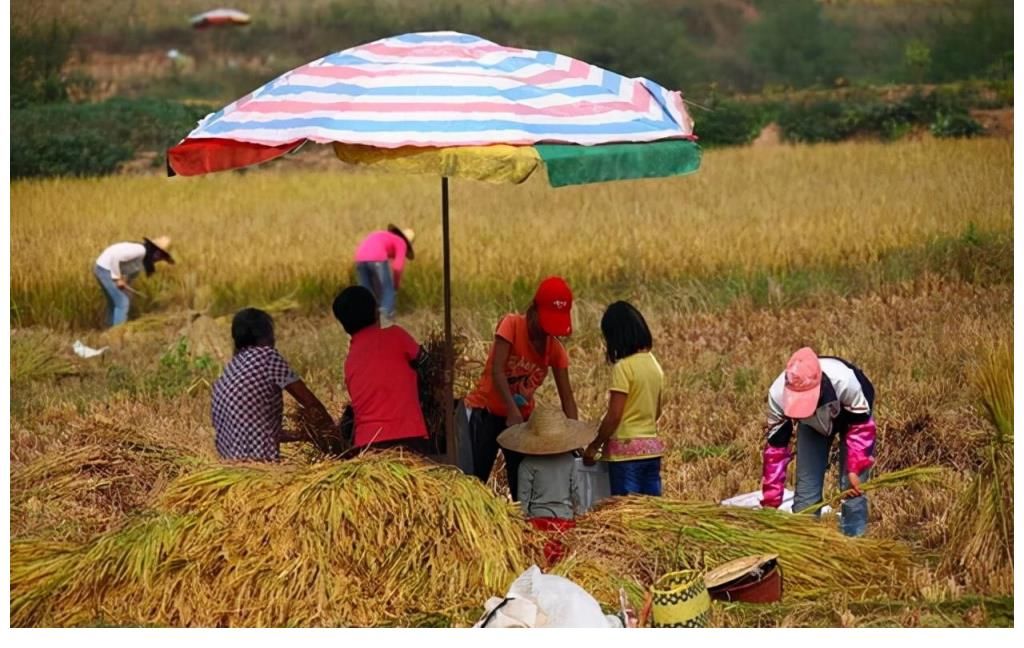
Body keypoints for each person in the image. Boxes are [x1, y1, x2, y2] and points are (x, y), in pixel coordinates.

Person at [463, 276, 579, 499]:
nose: (545, 333)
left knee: (521, 481)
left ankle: (521, 522)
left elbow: (568, 399)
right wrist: (511, 409)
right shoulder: (512, 325)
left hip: (521, 422)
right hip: (487, 413)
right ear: (534, 309)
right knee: (475, 478)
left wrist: (574, 438)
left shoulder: (554, 350)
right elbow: (497, 370)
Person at [759, 347, 877, 537]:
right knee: (806, 494)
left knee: (852, 489)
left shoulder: (846, 381)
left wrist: (855, 468)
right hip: (812, 426)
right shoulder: (777, 395)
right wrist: (771, 500)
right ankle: (807, 546)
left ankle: (854, 544)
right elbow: (776, 450)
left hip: (853, 421)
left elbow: (861, 429)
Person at [212, 308, 335, 462]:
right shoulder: (267, 356)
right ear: (265, 335)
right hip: (259, 464)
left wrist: (305, 435)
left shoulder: (229, 370)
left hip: (230, 466)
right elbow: (309, 401)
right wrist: (333, 434)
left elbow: (258, 431)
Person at [332, 285, 431, 453]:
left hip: (367, 445)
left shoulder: (351, 360)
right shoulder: (396, 335)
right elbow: (427, 362)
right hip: (409, 438)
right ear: (376, 312)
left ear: (344, 326)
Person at [583, 301, 665, 496]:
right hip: (652, 450)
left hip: (624, 455)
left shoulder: (623, 368)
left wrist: (595, 446)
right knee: (652, 511)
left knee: (627, 514)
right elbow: (657, 411)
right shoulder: (655, 365)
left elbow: (614, 416)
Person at [497, 406, 596, 565]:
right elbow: (576, 494)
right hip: (565, 523)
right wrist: (581, 517)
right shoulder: (569, 461)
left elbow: (522, 501)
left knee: (540, 566)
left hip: (538, 526)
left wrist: (521, 525)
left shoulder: (527, 465)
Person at [93, 236, 175, 328]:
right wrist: (118, 279)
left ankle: (108, 329)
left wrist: (124, 282)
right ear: (154, 251)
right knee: (122, 302)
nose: (159, 259)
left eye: (162, 257)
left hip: (104, 269)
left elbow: (131, 274)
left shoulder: (143, 260)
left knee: (115, 301)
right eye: (160, 255)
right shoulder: (140, 250)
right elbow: (115, 257)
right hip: (104, 269)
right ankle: (116, 333)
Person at [353, 224, 415, 324]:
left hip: (359, 258)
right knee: (388, 290)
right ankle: (386, 317)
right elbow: (398, 267)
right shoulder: (401, 242)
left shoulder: (384, 236)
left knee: (366, 293)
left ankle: (366, 320)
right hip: (377, 258)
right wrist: (395, 285)